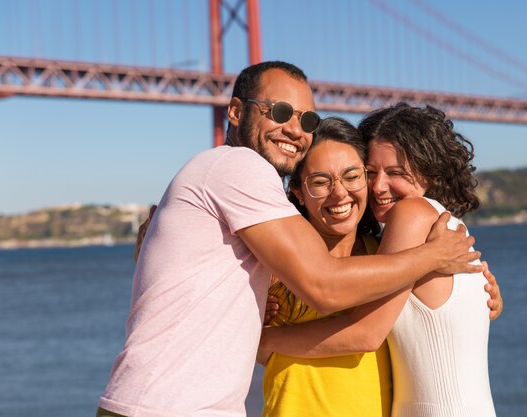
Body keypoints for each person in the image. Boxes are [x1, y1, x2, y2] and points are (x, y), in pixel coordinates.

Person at [96, 61, 484, 417]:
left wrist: (474, 286)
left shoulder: (347, 249)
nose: (296, 130)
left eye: (307, 119)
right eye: (279, 112)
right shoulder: (240, 166)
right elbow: (325, 286)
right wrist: (433, 256)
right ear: (235, 111)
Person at [259, 103, 499, 417]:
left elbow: (367, 333)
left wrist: (266, 340)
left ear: (428, 172)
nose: (378, 186)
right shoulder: (435, 234)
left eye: (396, 173)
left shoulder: (412, 215)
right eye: (370, 173)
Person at [262, 117, 393, 417]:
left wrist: (487, 294)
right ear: (297, 191)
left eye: (352, 176)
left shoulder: (387, 256)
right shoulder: (272, 264)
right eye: (320, 182)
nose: (339, 194)